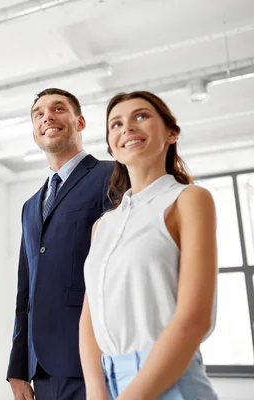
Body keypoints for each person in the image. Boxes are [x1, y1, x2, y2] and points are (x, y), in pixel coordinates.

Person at [79, 91, 218, 399]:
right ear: (111, 148)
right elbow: (91, 315)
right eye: (115, 124)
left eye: (140, 116)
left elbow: (194, 318)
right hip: (110, 382)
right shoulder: (103, 225)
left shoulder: (189, 199)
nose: (126, 127)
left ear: (172, 133)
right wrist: (95, 391)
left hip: (171, 379)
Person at [7, 88, 114, 400]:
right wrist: (17, 367)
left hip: (94, 361)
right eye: (38, 114)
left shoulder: (113, 175)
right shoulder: (30, 206)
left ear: (79, 122)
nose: (47, 117)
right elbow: (25, 291)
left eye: (57, 109)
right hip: (41, 369)